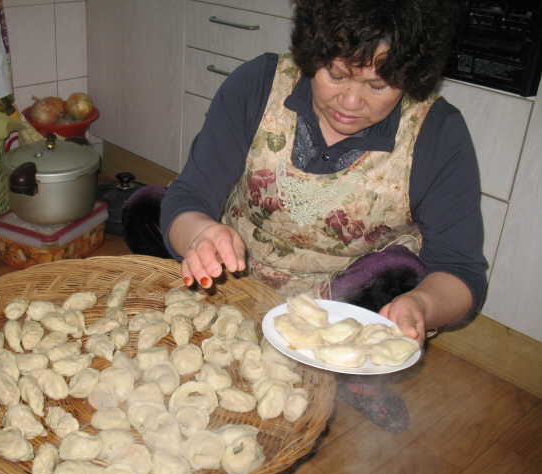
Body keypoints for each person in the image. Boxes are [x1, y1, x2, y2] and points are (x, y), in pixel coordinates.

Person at [121, 0, 487, 433]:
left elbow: (461, 271)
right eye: (336, 74)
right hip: (238, 265)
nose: (351, 102)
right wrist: (201, 234)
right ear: (313, 52)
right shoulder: (258, 84)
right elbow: (192, 192)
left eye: (380, 84)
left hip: (340, 300)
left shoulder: (438, 133)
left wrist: (421, 306)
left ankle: (350, 374)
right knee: (144, 209)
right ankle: (231, 316)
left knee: (400, 275)